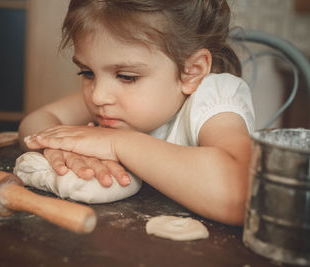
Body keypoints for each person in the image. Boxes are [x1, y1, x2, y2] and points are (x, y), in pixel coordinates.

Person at [19, 0, 255, 225]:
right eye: (87, 73)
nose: (98, 96)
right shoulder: (108, 101)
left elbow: (240, 192)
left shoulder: (213, 99)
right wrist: (57, 148)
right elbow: (35, 122)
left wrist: (119, 144)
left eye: (126, 77)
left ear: (191, 71)